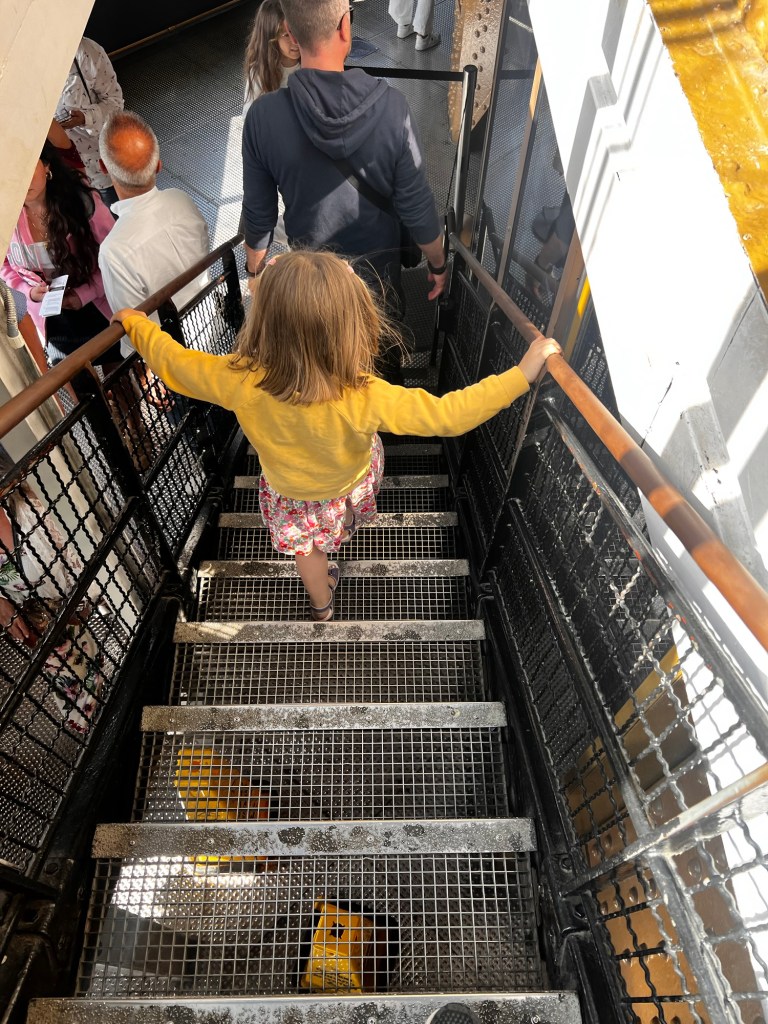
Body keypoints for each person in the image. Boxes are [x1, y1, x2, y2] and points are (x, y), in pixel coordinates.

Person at [110, 251, 561, 621]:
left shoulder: (239, 378)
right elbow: (449, 415)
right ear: (349, 324)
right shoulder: (363, 393)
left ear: (264, 320)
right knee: (334, 520)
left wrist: (137, 325)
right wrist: (519, 376)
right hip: (347, 483)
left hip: (290, 493)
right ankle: (338, 531)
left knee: (307, 550)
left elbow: (174, 364)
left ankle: (322, 606)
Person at [241, 0, 449, 315]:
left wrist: (255, 274)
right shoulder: (393, 109)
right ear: (345, 27)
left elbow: (258, 219)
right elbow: (416, 206)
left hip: (312, 285)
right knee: (383, 338)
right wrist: (438, 263)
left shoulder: (262, 118)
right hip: (378, 281)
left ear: (293, 35)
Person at [0, 449, 103, 734]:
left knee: (87, 661)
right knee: (66, 676)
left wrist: (82, 603)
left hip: (65, 607)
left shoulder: (18, 502)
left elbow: (65, 562)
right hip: (34, 626)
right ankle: (89, 724)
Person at [97, 111, 210, 359]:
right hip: (209, 317)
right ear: (158, 164)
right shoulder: (180, 199)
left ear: (103, 167)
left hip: (172, 356)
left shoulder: (114, 251)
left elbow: (134, 334)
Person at [1, 142, 121, 368]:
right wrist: (29, 292)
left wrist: (84, 293)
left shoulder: (81, 203)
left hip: (100, 308)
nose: (22, 179)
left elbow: (116, 257)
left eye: (28, 166)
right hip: (52, 322)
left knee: (121, 374)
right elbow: (5, 266)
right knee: (77, 381)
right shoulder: (5, 216)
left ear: (47, 165)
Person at [55, 37, 124, 206]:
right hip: (54, 179)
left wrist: (86, 118)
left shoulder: (85, 51)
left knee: (115, 216)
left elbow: (115, 103)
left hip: (96, 171)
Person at [243, 0, 301, 114]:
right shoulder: (260, 73)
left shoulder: (311, 59)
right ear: (271, 38)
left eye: (297, 30)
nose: (295, 40)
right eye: (286, 35)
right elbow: (250, 116)